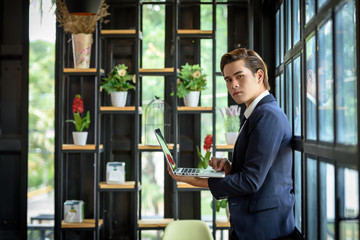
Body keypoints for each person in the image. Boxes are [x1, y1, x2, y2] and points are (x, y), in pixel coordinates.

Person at [167, 48, 295, 239]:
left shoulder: (267, 115)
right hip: (253, 225)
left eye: (239, 76)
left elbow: (250, 181)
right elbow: (259, 170)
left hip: (264, 230)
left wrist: (195, 180)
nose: (233, 85)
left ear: (259, 76)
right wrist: (229, 168)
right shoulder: (255, 113)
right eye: (228, 79)